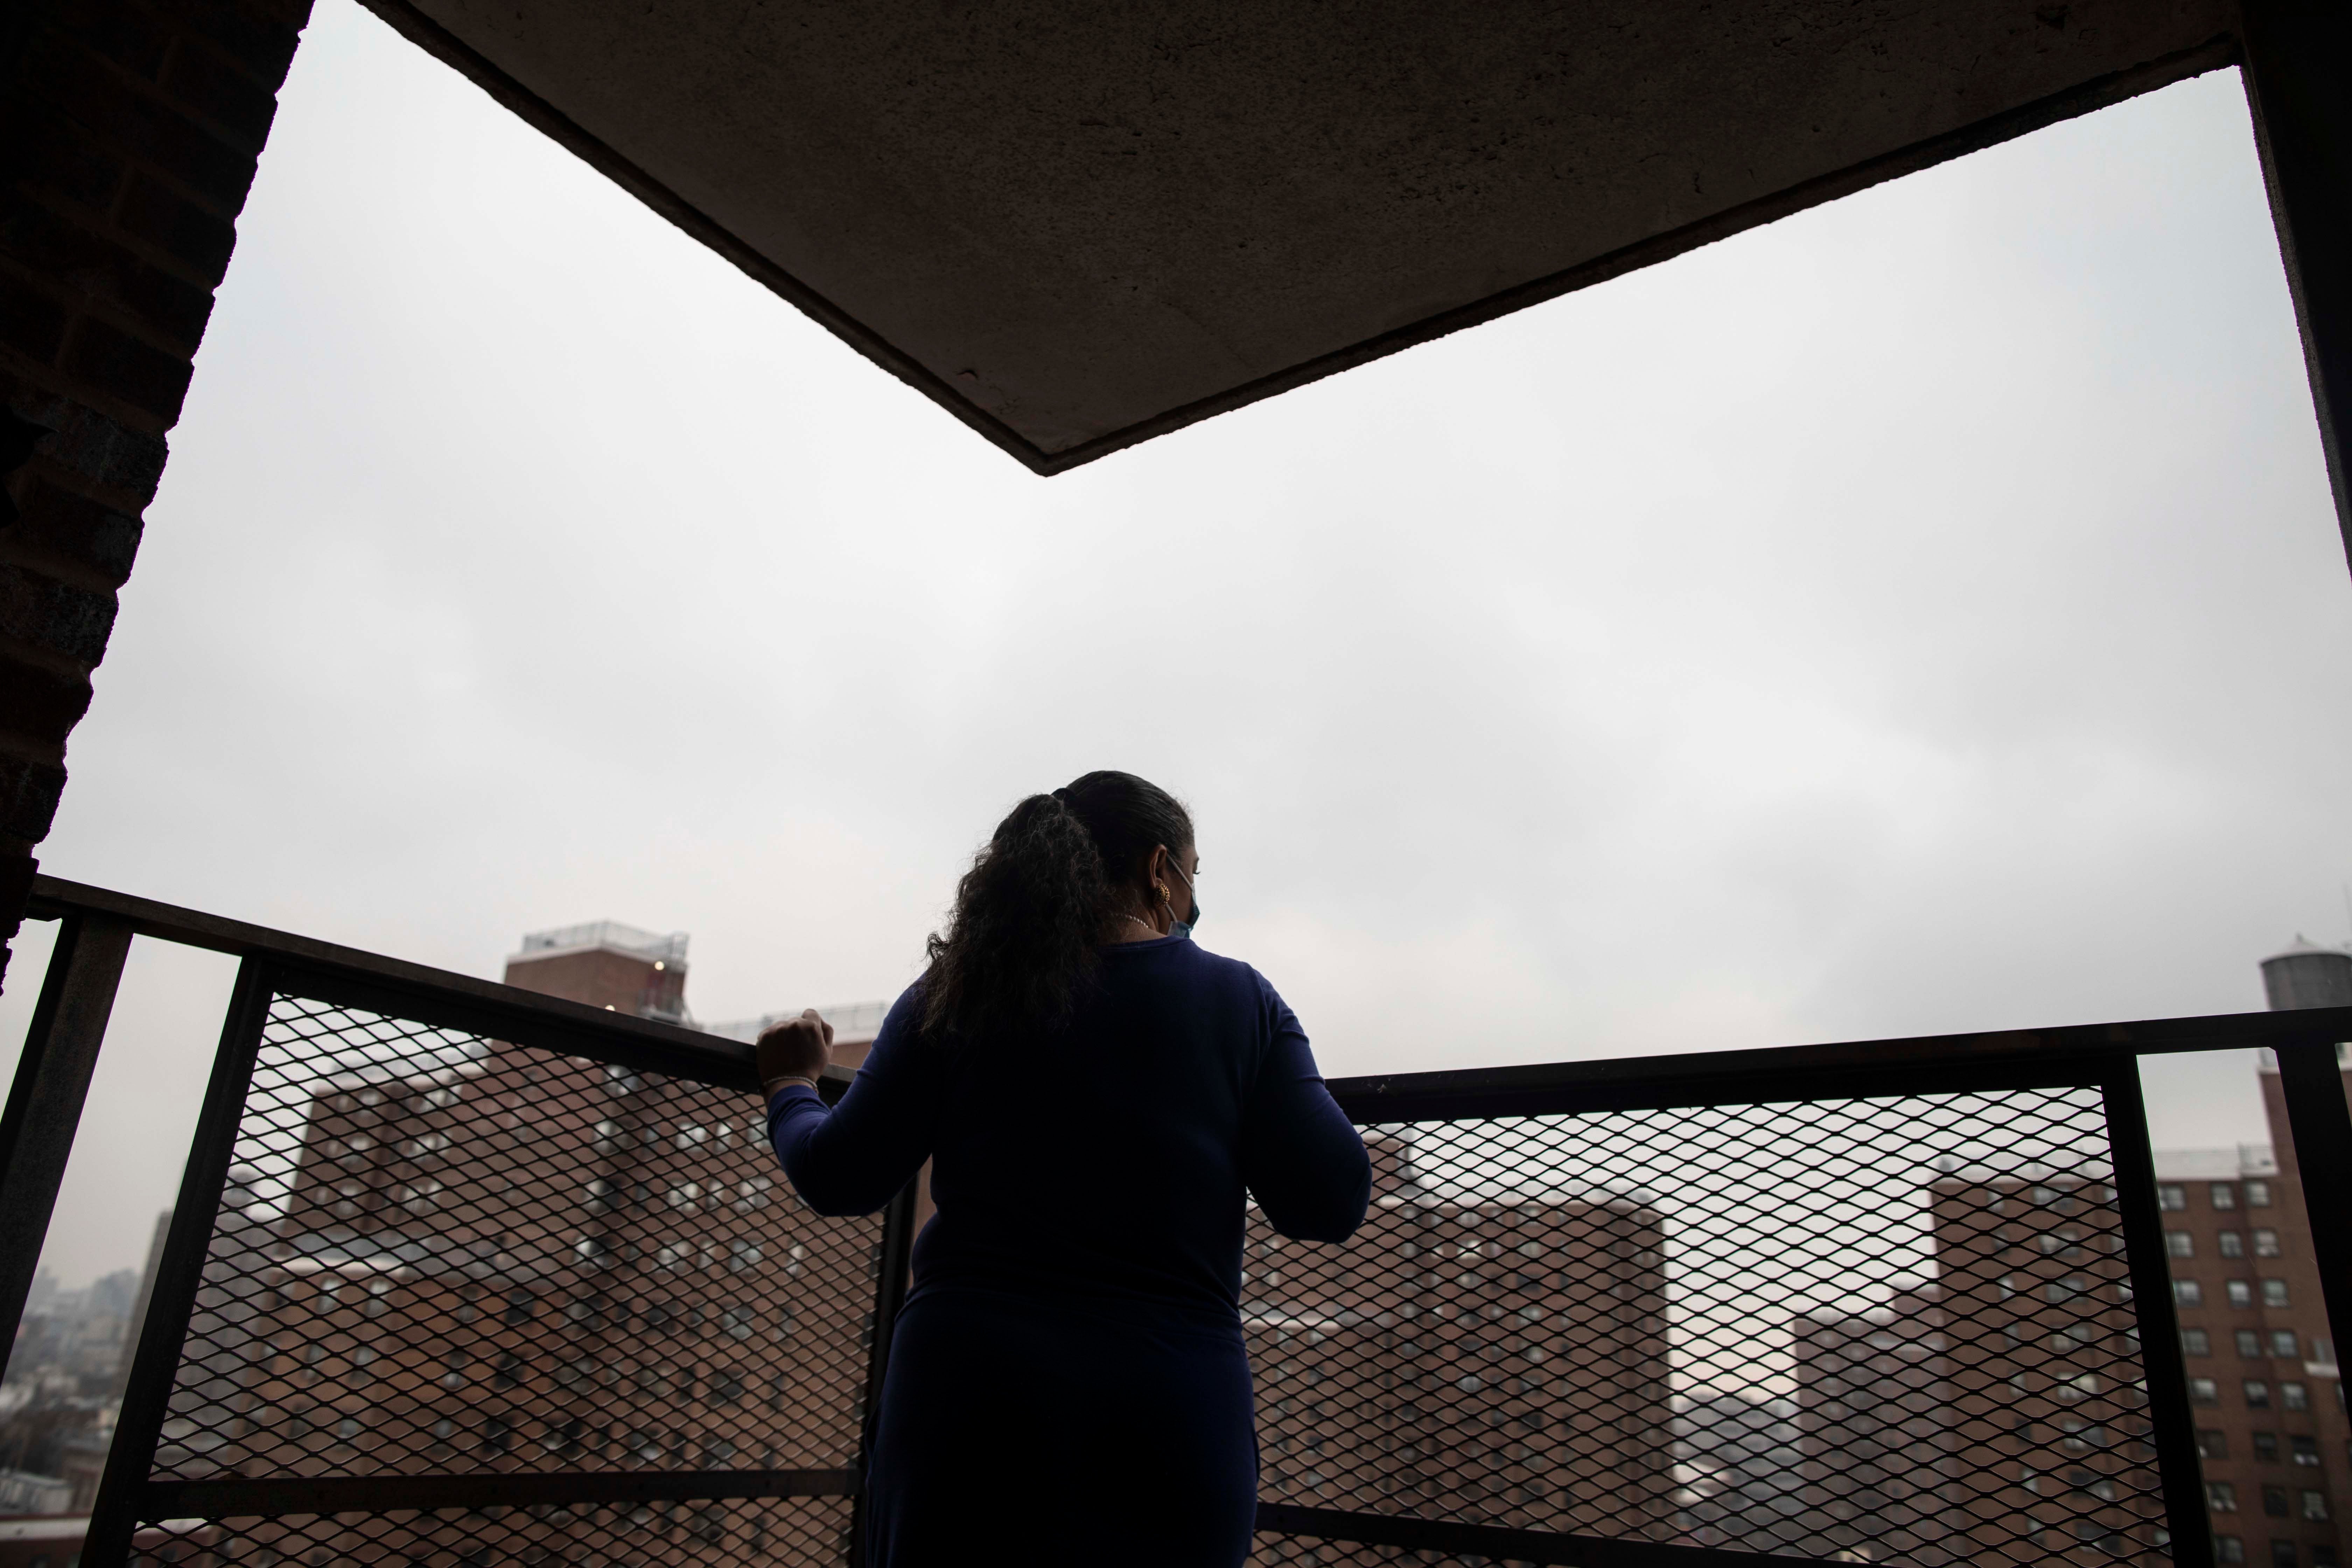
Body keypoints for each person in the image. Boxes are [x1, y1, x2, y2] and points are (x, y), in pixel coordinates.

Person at [757, 770, 1371, 1567]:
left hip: (964, 1405)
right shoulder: (1240, 999)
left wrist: (791, 1085)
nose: (1192, 902)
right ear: (1160, 869)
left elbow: (839, 1174)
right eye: (1193, 875)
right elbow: (1330, 1200)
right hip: (1165, 1414)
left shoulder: (961, 988)